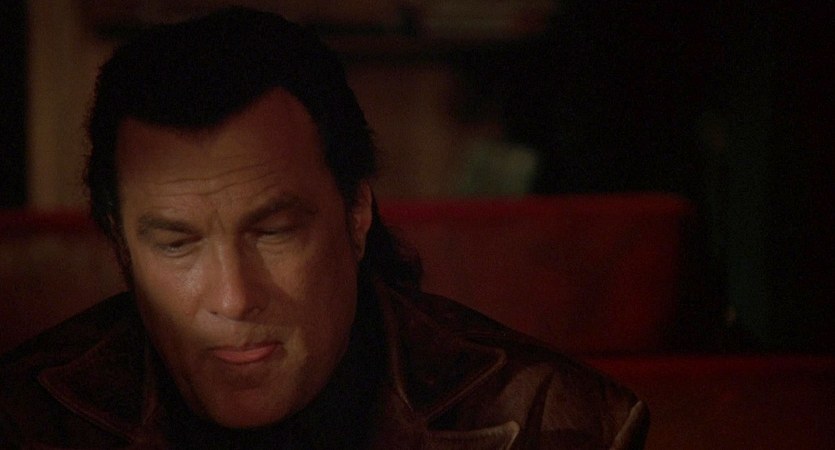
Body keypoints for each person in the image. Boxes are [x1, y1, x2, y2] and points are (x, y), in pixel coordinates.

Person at [0, 7, 648, 449]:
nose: (233, 297)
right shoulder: (25, 421)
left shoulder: (546, 423)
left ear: (356, 214)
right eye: (176, 244)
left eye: (273, 232)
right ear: (120, 244)